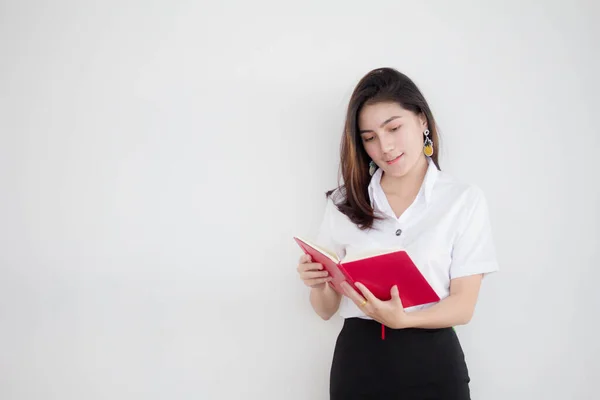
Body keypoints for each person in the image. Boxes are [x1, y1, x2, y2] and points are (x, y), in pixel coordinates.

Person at [296, 67, 499, 399]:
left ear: (422, 120)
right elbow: (325, 309)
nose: (385, 147)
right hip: (359, 363)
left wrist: (402, 320)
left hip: (432, 363)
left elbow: (463, 306)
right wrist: (318, 281)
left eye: (393, 128)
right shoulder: (344, 202)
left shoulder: (462, 200)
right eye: (369, 138)